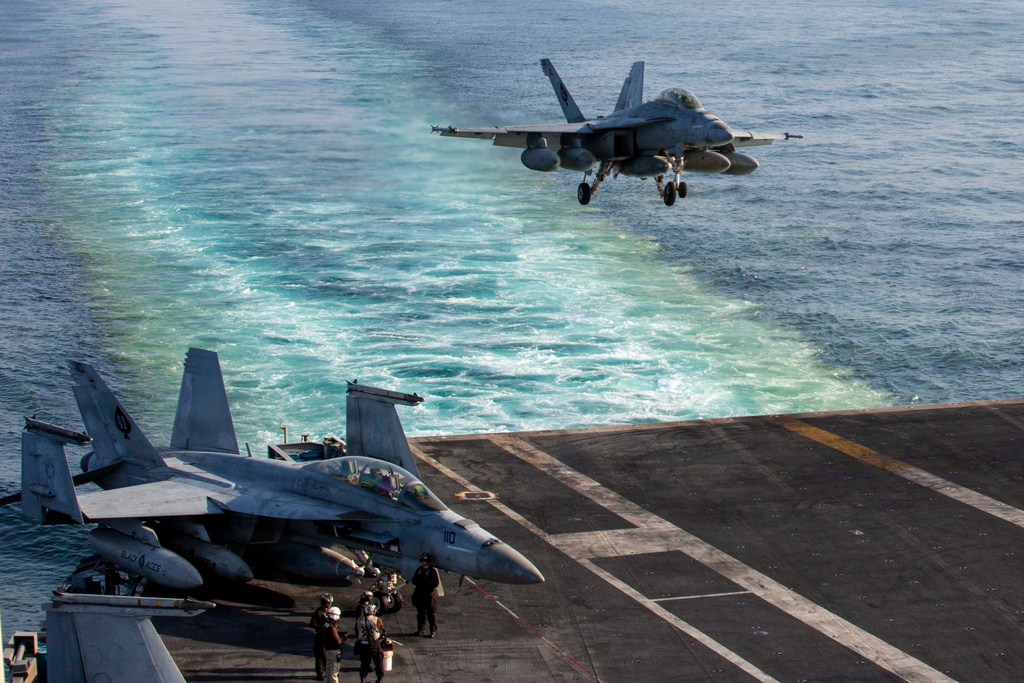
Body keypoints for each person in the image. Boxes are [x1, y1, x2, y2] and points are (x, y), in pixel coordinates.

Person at [354, 602, 386, 683]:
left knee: (364, 663)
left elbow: (356, 631)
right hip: (374, 644)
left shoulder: (359, 620)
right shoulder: (377, 619)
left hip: (363, 644)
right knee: (378, 661)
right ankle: (379, 678)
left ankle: (363, 678)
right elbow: (381, 628)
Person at [411, 552, 440, 637]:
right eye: (422, 561)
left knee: (431, 613)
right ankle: (421, 629)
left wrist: (427, 586)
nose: (423, 562)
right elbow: (414, 580)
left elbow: (435, 583)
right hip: (420, 594)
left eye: (424, 561)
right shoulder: (419, 570)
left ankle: (432, 631)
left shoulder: (432, 571)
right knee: (420, 613)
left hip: (429, 595)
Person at [309, 593, 334, 680]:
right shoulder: (318, 612)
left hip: (329, 637)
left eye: (330, 603)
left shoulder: (331, 611)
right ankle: (320, 673)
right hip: (320, 637)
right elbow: (312, 623)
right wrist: (321, 628)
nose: (329, 604)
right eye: (328, 603)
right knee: (320, 655)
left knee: (328, 656)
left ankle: (328, 672)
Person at [323, 606, 347, 683]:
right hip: (334, 651)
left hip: (328, 650)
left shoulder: (326, 624)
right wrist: (343, 638)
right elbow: (338, 641)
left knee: (329, 669)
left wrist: (339, 633)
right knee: (334, 671)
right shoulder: (332, 627)